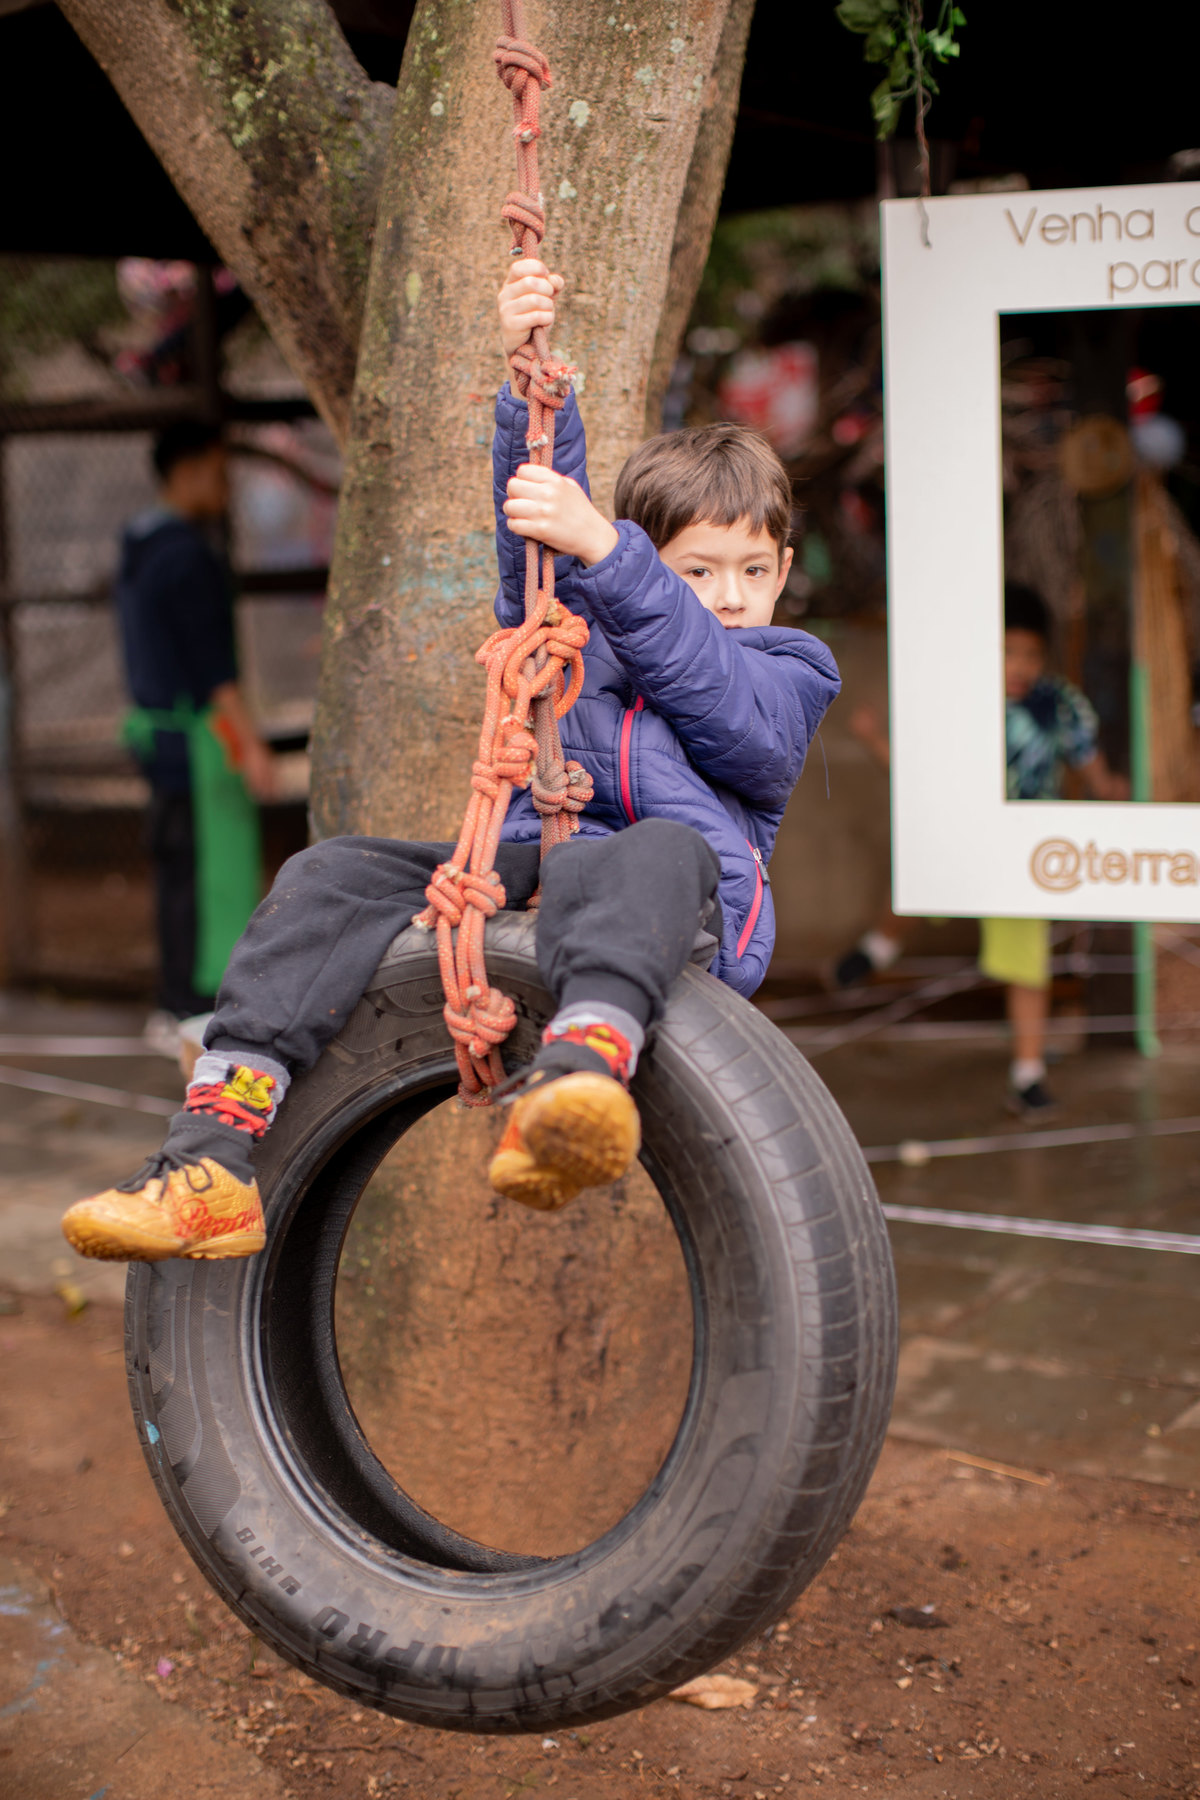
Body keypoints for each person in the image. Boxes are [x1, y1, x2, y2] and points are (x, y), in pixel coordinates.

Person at [60, 258, 840, 1262]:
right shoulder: (582, 633)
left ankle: (581, 1079)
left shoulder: (788, 669)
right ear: (652, 562)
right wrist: (531, 387)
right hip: (538, 865)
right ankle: (211, 1157)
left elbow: (729, 715)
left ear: (783, 569)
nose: (729, 595)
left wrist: (614, 556)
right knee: (329, 876)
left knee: (643, 851)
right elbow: (536, 554)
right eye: (698, 570)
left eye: (752, 569)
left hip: (683, 900)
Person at [116, 421, 276, 1052]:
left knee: (176, 871)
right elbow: (215, 672)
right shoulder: (187, 556)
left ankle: (173, 999)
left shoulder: (139, 544)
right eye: (216, 472)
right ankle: (192, 1007)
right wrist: (251, 745)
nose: (225, 486)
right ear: (185, 471)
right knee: (204, 875)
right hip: (196, 739)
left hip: (157, 735)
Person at [985, 582, 1125, 1117]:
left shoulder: (1060, 703)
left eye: (1031, 654)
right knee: (911, 891)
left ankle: (1027, 1074)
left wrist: (1113, 792)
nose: (1019, 666)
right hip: (964, 837)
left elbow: (1092, 768)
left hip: (1027, 848)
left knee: (1027, 958)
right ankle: (873, 951)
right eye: (1007, 651)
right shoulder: (957, 698)